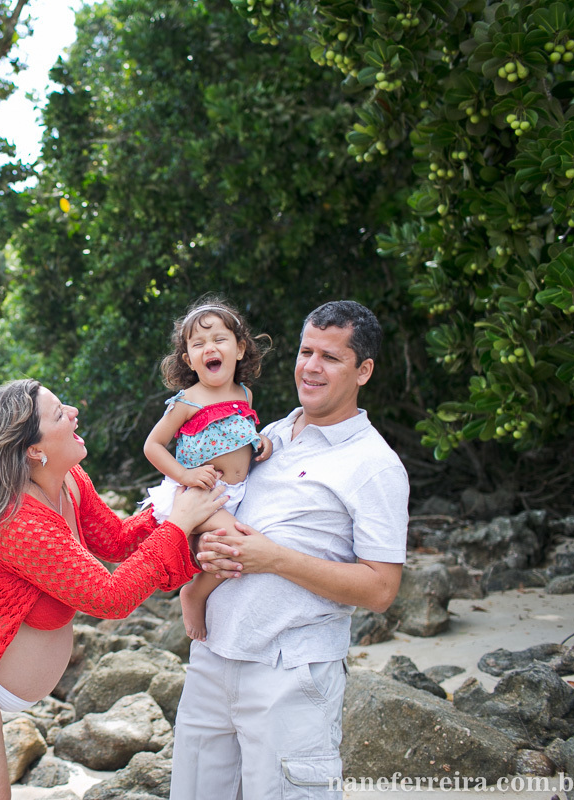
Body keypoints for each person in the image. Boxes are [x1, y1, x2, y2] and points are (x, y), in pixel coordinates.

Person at [0, 378, 228, 800]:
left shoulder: (69, 481)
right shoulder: (19, 520)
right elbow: (110, 597)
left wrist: (174, 508)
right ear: (35, 449)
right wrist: (179, 524)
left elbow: (117, 541)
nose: (74, 412)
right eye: (59, 413)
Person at [169, 300, 410, 800]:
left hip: (291, 671)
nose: (311, 367)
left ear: (364, 371)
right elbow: (209, 505)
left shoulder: (375, 465)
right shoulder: (267, 434)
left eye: (331, 357)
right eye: (305, 352)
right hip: (212, 656)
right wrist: (199, 551)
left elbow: (382, 589)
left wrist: (274, 558)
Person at [142, 298, 273, 641]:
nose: (209, 348)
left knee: (233, 546)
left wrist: (261, 441)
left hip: (236, 494)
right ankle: (194, 594)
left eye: (219, 339)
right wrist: (185, 476)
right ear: (189, 359)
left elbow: (241, 433)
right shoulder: (187, 400)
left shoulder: (244, 394)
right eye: (198, 344)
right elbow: (153, 445)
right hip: (200, 495)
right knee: (239, 543)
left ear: (239, 349)